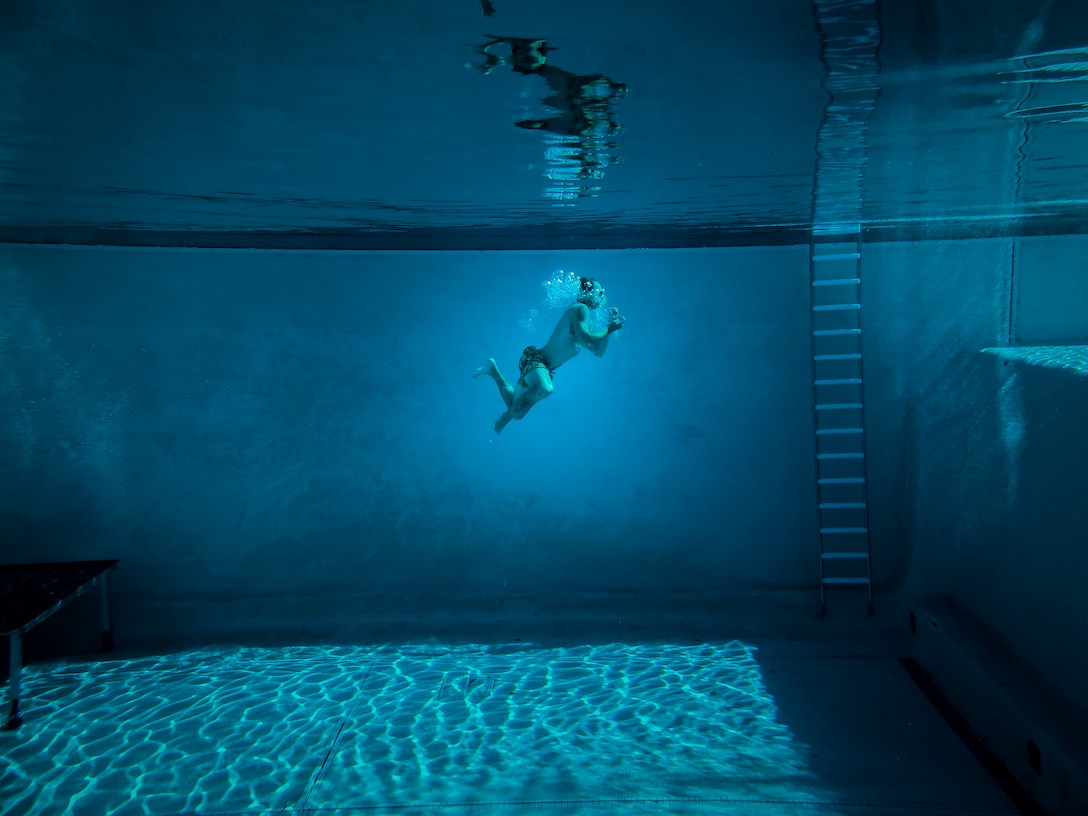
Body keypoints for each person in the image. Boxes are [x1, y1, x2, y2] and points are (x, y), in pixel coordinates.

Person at [474, 277, 625, 434]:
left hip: (544, 368)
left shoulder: (587, 320)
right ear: (587, 292)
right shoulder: (580, 309)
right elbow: (586, 338)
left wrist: (610, 328)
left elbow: (598, 352)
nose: (601, 296)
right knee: (545, 389)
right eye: (599, 292)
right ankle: (503, 419)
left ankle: (493, 371)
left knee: (517, 412)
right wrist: (609, 329)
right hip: (537, 359)